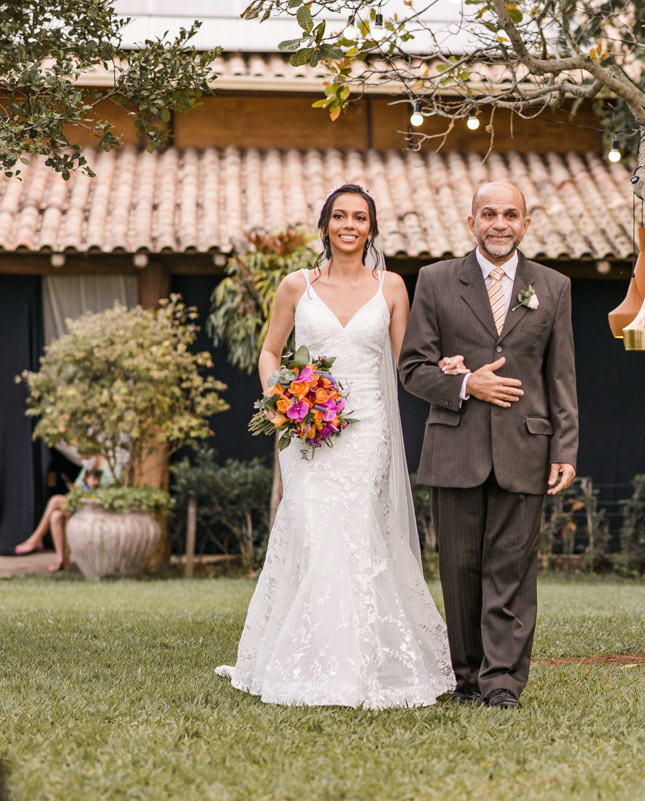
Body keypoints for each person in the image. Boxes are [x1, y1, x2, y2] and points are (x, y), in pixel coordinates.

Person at [216, 184, 455, 708]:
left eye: (361, 217)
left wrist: (446, 369)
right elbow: (270, 351)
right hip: (306, 431)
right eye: (340, 216)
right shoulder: (294, 286)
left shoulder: (392, 286)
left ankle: (364, 661)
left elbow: (406, 363)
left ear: (371, 227)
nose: (350, 225)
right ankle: (301, 657)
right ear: (324, 224)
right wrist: (280, 400)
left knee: (358, 530)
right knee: (314, 527)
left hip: (368, 427)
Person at [399, 181, 579, 709]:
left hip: (527, 448)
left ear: (526, 223)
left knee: (512, 570)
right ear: (471, 222)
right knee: (458, 570)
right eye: (488, 214)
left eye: (510, 214)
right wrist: (463, 384)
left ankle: (501, 683)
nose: (499, 223)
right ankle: (466, 679)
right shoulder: (434, 281)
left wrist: (565, 448)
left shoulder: (554, 286)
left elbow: (561, 376)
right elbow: (412, 368)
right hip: (455, 449)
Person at [15, 456, 111, 572]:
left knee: (55, 500)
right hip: (78, 503)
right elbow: (78, 484)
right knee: (55, 516)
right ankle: (61, 561)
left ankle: (36, 538)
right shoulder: (91, 463)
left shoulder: (110, 465)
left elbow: (110, 487)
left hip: (93, 506)